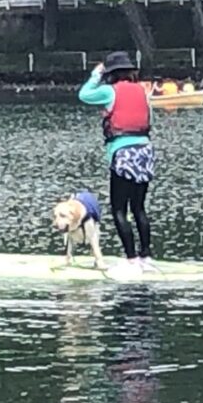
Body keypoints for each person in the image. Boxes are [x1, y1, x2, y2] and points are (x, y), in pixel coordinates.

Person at [77, 51, 157, 273]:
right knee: (139, 207)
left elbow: (84, 94)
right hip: (145, 151)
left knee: (119, 209)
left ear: (110, 73)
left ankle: (131, 259)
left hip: (123, 153)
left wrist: (95, 74)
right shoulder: (143, 91)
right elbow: (148, 118)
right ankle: (146, 256)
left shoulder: (109, 91)